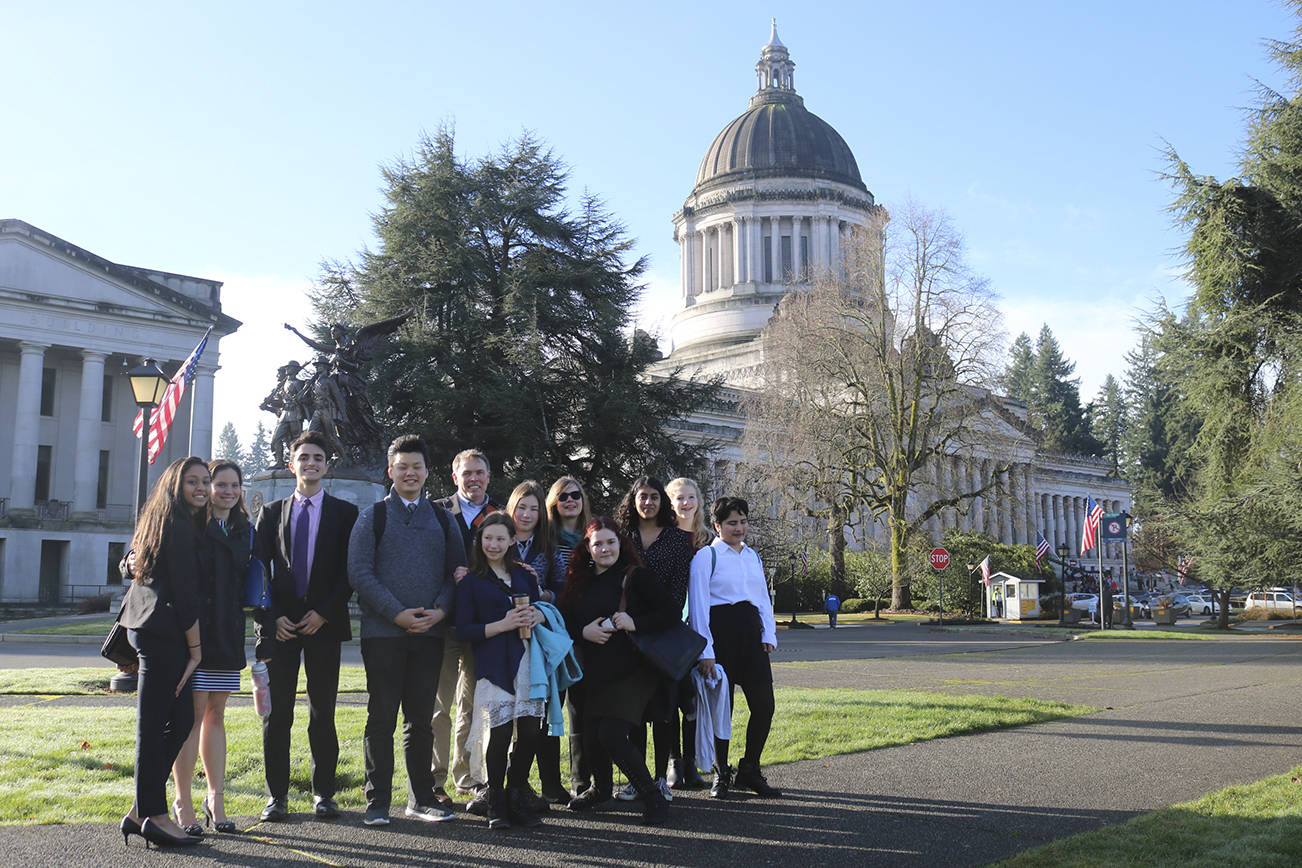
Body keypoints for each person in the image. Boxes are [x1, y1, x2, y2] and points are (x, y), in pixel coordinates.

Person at [349, 434, 465, 827]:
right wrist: (396, 613)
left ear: (427, 471)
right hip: (383, 635)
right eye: (402, 467)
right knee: (381, 716)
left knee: (421, 719)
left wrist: (441, 610)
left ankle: (421, 798)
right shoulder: (373, 517)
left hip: (429, 635)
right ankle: (377, 800)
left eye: (417, 466)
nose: (410, 473)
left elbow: (457, 571)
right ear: (391, 472)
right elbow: (360, 573)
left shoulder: (442, 518)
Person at [253, 430, 359, 822]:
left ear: (326, 465)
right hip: (278, 629)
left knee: (322, 712)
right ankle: (275, 797)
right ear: (291, 464)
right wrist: (271, 616)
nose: (310, 463)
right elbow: (257, 573)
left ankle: (324, 794)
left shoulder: (345, 514)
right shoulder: (271, 513)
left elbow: (350, 572)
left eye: (318, 457)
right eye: (304, 457)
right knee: (276, 714)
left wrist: (326, 612)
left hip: (323, 627)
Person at [559, 517, 677, 825]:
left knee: (610, 734)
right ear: (588, 547)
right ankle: (601, 789)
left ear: (620, 544)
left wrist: (634, 621)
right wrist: (582, 633)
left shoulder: (635, 576)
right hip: (596, 671)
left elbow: (670, 612)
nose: (605, 548)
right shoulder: (579, 579)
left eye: (610, 542)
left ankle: (652, 796)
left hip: (634, 670)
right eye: (597, 543)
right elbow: (565, 619)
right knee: (592, 735)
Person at [118, 456, 208, 849]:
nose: (201, 487)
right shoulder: (179, 527)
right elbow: (185, 598)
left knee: (179, 718)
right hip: (163, 635)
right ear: (176, 485)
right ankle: (153, 815)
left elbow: (132, 559)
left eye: (205, 480)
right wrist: (196, 651)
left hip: (149, 630)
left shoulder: (166, 518)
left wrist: (127, 562)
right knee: (153, 727)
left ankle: (141, 810)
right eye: (193, 481)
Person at [170, 460, 250, 836]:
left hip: (227, 634)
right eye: (221, 484)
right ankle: (183, 801)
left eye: (235, 485)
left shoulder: (244, 530)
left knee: (217, 714)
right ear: (208, 487)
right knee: (191, 716)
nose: (228, 491)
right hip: (194, 635)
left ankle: (215, 798)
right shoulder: (191, 527)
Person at [455, 513, 547, 830]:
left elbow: (541, 608)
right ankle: (495, 801)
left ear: (511, 541)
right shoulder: (471, 581)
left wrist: (537, 614)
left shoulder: (524, 576)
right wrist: (502, 625)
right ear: (480, 542)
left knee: (532, 732)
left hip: (527, 661)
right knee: (501, 733)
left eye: (500, 538)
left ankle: (516, 794)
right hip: (494, 664)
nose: (493, 544)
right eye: (488, 538)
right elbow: (464, 630)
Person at [689, 497, 782, 799]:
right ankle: (721, 772)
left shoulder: (752, 556)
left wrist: (769, 632)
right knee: (721, 709)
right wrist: (706, 652)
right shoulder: (706, 557)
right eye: (731, 522)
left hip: (750, 636)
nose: (739, 528)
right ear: (717, 526)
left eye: (743, 521)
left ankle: (750, 769)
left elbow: (762, 598)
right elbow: (700, 607)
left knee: (764, 705)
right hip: (720, 637)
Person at [614, 477, 697, 800]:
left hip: (662, 634)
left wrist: (643, 621)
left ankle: (661, 778)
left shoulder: (677, 540)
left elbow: (677, 597)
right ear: (633, 500)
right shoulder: (623, 538)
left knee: (663, 712)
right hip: (627, 637)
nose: (647, 503)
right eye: (641, 497)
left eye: (653, 497)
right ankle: (638, 778)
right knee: (634, 713)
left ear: (662, 502)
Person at [432, 449, 500, 809]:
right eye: (467, 474)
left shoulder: (499, 515)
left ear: (489, 476)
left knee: (472, 705)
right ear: (455, 477)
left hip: (482, 625)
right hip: (445, 621)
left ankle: (467, 776)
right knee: (441, 705)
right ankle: (434, 778)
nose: (474, 479)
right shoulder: (439, 511)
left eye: (480, 473)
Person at [506, 480, 568, 804]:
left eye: (533, 508)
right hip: (504, 635)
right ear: (511, 508)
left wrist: (542, 596)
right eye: (521, 506)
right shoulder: (500, 539)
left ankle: (545, 783)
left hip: (539, 635)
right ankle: (507, 784)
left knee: (540, 712)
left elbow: (560, 588)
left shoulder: (549, 546)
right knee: (508, 716)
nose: (527, 514)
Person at [545, 476, 591, 795]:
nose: (570, 500)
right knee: (551, 708)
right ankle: (551, 784)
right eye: (563, 496)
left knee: (581, 709)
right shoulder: (545, 539)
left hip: (586, 631)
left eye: (575, 495)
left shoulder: (592, 536)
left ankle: (581, 780)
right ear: (554, 503)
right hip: (554, 632)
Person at [665, 477, 712, 551]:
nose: (686, 502)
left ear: (698, 501)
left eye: (691, 497)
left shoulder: (708, 538)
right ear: (670, 504)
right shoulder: (663, 537)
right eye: (680, 498)